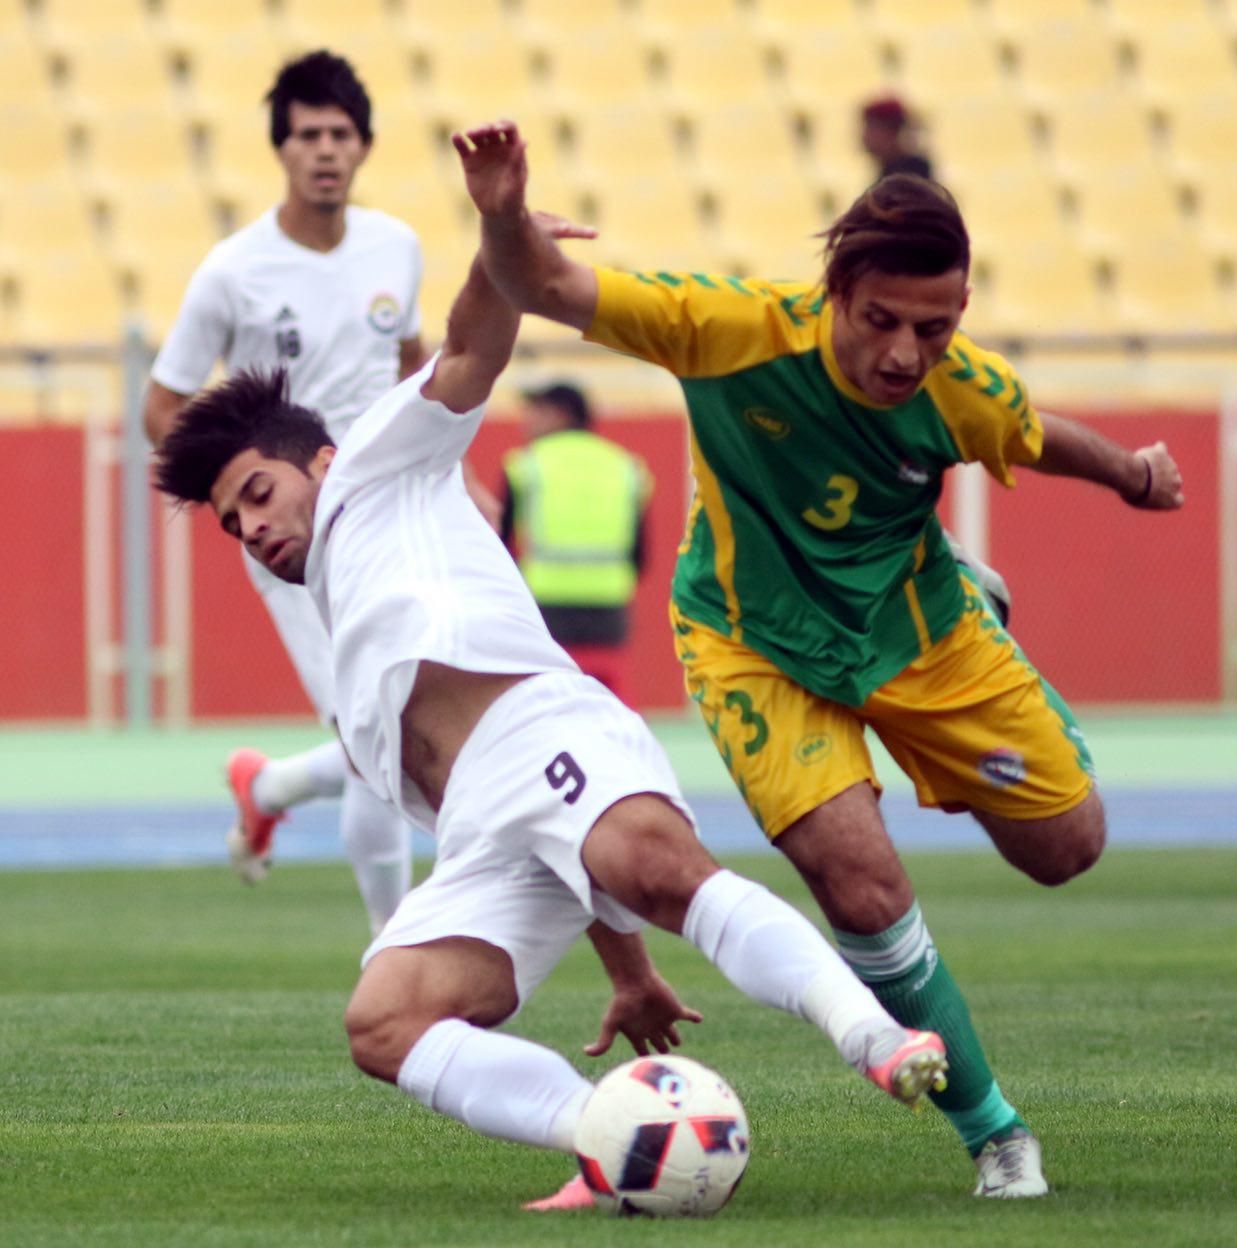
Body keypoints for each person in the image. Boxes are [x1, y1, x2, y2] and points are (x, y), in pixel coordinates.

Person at [452, 119, 1185, 1200]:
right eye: (878, 320)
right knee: (858, 888)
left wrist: (1132, 474)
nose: (901, 353)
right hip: (754, 643)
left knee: (1064, 850)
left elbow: (1032, 436)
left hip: (917, 629)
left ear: (961, 313)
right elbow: (542, 282)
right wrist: (504, 214)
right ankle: (992, 1132)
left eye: (929, 329)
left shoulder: (959, 386)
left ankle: (969, 604)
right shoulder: (728, 328)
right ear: (832, 290)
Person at [149, 227, 953, 1206]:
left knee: (656, 870)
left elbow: (472, 344)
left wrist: (499, 233)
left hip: (543, 730)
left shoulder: (375, 462)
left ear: (317, 460)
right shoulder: (345, 639)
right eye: (234, 523)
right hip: (482, 833)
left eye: (258, 495)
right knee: (383, 1023)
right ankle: (608, 1137)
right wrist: (625, 970)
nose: (253, 529)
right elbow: (539, 843)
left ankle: (873, 1034)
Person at [142, 50, 495, 933]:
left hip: (386, 507)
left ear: (365, 146)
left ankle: (266, 787)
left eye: (340, 134)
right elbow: (161, 404)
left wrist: (460, 473)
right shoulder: (234, 270)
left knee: (402, 713)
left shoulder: (397, 247)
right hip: (298, 534)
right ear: (283, 150)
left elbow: (414, 365)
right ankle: (398, 946)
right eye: (308, 136)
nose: (325, 151)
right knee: (376, 728)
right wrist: (240, 499)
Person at [499, 381, 652, 704]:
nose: (526, 420)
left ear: (561, 415)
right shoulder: (626, 466)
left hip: (545, 604)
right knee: (609, 701)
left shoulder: (526, 465)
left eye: (536, 411)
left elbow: (502, 545)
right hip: (608, 604)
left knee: (547, 701)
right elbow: (640, 552)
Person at [861, 94, 933, 182]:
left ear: (891, 132)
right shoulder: (890, 169)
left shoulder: (908, 173)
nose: (865, 137)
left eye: (871, 128)